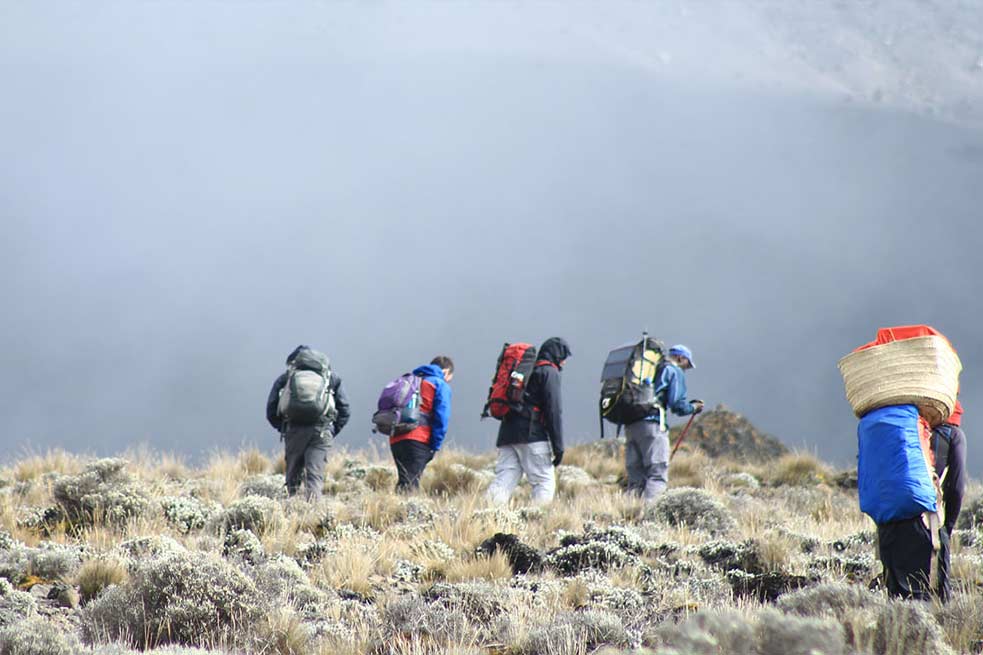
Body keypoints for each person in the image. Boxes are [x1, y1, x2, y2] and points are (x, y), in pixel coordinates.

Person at [878, 401, 967, 602]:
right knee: (931, 607)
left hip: (889, 525)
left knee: (896, 606)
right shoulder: (951, 434)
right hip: (929, 525)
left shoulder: (894, 428)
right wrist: (947, 528)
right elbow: (956, 488)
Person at [486, 337, 571, 506]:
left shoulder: (525, 371)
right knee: (544, 482)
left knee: (504, 478)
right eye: (564, 357)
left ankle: (486, 517)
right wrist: (558, 447)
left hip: (507, 434)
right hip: (533, 435)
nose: (564, 362)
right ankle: (535, 520)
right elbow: (553, 410)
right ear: (557, 354)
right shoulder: (549, 372)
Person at [266, 345, 350, 500]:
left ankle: (290, 514)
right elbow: (345, 410)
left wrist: (284, 428)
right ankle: (313, 516)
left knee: (292, 478)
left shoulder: (286, 378)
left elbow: (271, 410)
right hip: (321, 430)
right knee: (314, 477)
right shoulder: (331, 378)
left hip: (294, 430)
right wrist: (331, 431)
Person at [624, 344, 703, 501]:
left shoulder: (647, 370)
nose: (686, 369)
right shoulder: (673, 370)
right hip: (653, 425)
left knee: (636, 478)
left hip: (631, 424)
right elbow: (677, 405)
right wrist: (693, 407)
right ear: (681, 358)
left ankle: (628, 514)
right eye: (687, 365)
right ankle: (650, 517)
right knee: (657, 473)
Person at [389, 356, 454, 492]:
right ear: (446, 372)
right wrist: (435, 446)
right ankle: (405, 511)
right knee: (411, 484)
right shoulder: (440, 384)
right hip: (418, 439)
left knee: (405, 481)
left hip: (396, 437)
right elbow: (441, 417)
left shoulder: (410, 381)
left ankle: (392, 510)